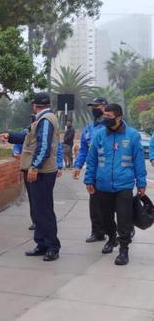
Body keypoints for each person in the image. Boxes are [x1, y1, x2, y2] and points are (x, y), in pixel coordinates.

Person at [0, 92, 61, 261]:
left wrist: (35, 166)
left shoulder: (46, 120)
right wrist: (10, 136)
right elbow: (27, 136)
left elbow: (43, 147)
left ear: (35, 105)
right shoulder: (39, 119)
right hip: (37, 171)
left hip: (41, 172)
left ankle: (52, 246)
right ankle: (41, 243)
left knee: (44, 210)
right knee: (37, 210)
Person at [84, 103, 146, 265]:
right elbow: (92, 160)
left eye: (109, 117)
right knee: (106, 218)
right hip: (102, 185)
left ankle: (124, 249)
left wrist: (141, 183)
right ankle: (112, 238)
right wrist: (89, 180)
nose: (106, 120)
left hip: (124, 185)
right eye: (105, 117)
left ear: (119, 118)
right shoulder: (99, 135)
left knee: (124, 218)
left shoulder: (132, 136)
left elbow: (139, 160)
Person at [8, 117, 64, 232]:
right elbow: (19, 144)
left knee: (43, 199)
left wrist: (59, 165)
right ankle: (35, 221)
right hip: (28, 168)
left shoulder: (50, 132)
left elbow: (57, 149)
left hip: (41, 169)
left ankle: (45, 226)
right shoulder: (27, 131)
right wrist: (15, 151)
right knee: (33, 196)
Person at [72, 97, 109, 243]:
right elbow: (83, 150)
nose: (94, 109)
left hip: (109, 171)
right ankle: (97, 232)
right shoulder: (88, 128)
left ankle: (122, 230)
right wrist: (78, 166)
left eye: (97, 106)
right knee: (94, 204)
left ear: (105, 107)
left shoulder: (111, 126)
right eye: (92, 106)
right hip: (93, 172)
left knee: (112, 204)